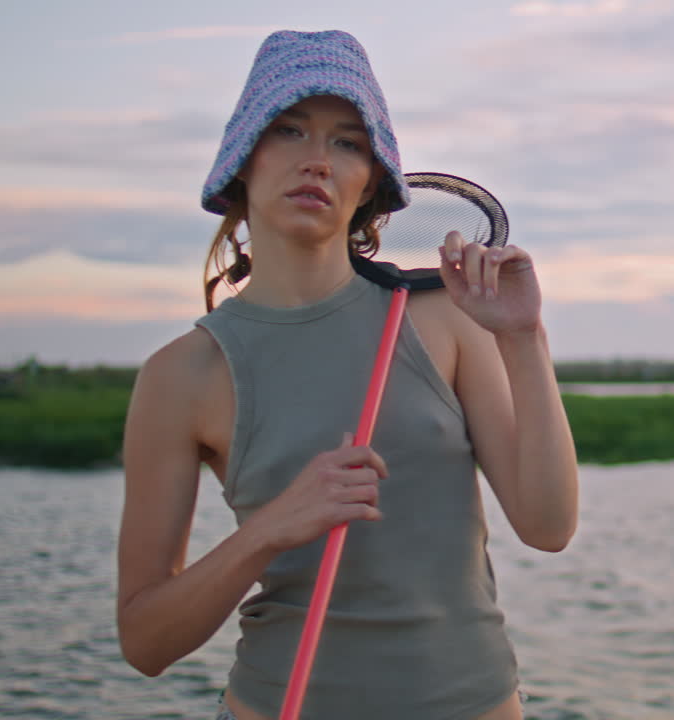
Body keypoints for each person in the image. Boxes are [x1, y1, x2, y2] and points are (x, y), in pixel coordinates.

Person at [116, 30, 579, 720]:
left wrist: (524, 339)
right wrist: (270, 527)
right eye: (289, 129)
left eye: (347, 142)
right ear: (243, 157)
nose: (317, 160)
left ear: (371, 181)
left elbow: (548, 526)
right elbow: (146, 641)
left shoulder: (440, 319)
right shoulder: (181, 374)